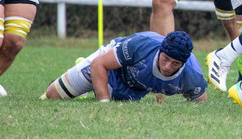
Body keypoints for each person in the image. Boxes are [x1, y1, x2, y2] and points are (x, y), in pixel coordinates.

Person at [44, 31, 207, 102]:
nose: (167, 66)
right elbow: (99, 64)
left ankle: (92, 87)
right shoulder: (141, 45)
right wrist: (103, 105)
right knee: (52, 95)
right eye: (165, 59)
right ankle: (84, 69)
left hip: (133, 89)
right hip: (109, 67)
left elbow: (198, 104)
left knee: (115, 97)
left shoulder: (192, 75)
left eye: (175, 63)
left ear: (183, 63)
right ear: (160, 51)